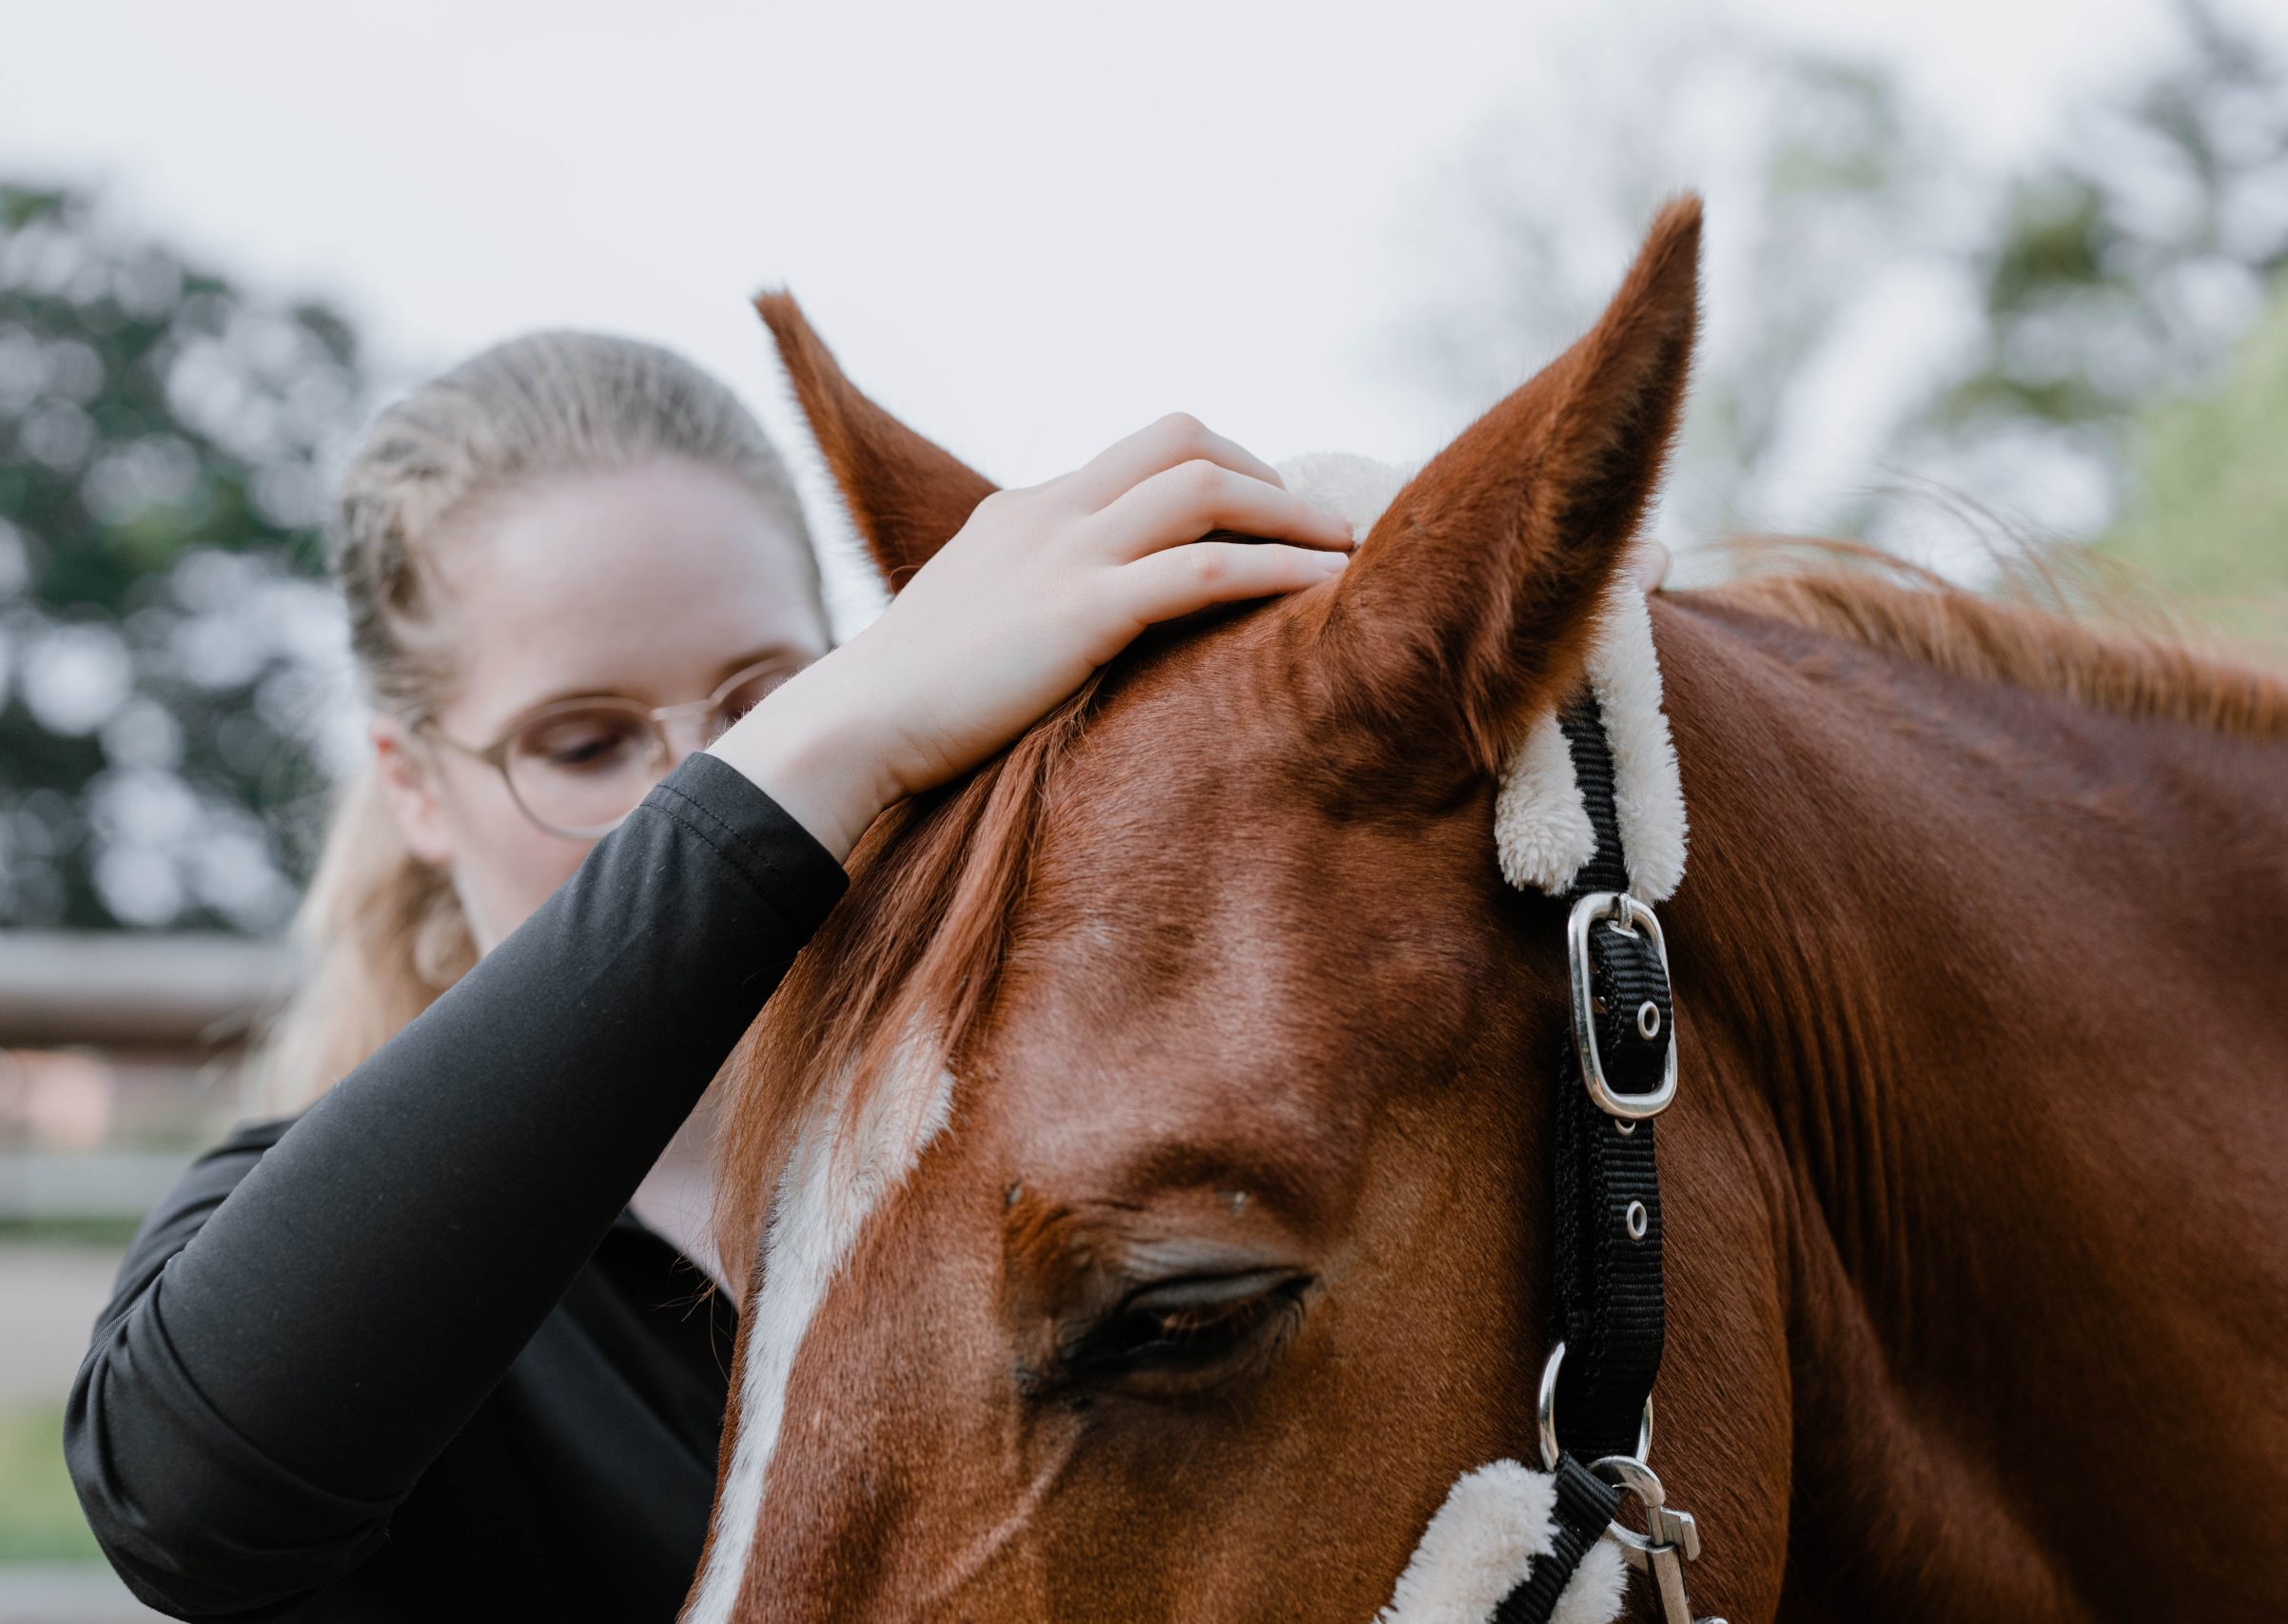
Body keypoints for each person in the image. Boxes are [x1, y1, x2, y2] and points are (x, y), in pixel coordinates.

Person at [62, 330, 1355, 1621]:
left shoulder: (1030, 1171)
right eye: (581, 743)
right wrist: (808, 753)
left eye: (761, 703)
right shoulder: (323, 1249)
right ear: (414, 786)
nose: (685, 785)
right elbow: (181, 1502)